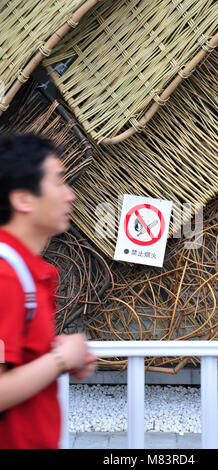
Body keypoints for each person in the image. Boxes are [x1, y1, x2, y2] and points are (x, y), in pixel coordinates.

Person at [0, 133, 97, 449]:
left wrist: (53, 351)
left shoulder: (26, 272)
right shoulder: (6, 276)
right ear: (23, 199)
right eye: (59, 183)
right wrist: (58, 358)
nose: (70, 196)